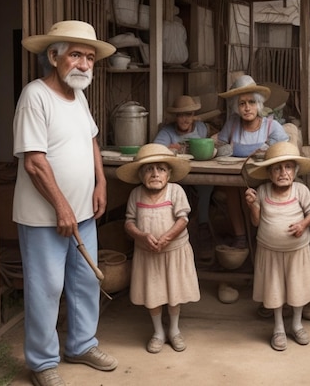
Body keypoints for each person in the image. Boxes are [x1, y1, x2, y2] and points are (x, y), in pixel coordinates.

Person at [13, 20, 118, 386]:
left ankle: (81, 344)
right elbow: (34, 162)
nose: (84, 64)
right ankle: (42, 363)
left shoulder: (79, 95)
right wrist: (61, 206)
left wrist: (101, 181)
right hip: (45, 217)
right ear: (54, 57)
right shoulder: (35, 95)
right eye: (76, 55)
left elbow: (91, 139)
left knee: (85, 280)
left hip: (83, 212)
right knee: (47, 287)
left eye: (90, 57)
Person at [116, 143, 201, 354]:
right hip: (147, 254)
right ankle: (157, 332)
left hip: (174, 252)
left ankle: (173, 330)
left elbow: (183, 218)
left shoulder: (176, 191)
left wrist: (167, 237)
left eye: (161, 169)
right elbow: (129, 222)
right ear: (141, 174)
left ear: (169, 174)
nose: (155, 174)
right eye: (149, 169)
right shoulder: (136, 194)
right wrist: (141, 236)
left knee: (173, 292)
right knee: (153, 293)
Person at [214, 75, 289, 304]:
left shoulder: (271, 126)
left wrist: (268, 150)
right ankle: (241, 239)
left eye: (251, 102)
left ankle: (262, 242)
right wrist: (224, 149)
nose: (247, 108)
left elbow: (286, 150)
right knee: (231, 190)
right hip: (238, 181)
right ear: (236, 107)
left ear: (259, 104)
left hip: (265, 183)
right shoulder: (232, 125)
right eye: (242, 103)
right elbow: (220, 146)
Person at [244, 142, 310, 351]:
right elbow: (256, 222)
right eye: (277, 168)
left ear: (295, 171)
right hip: (270, 252)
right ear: (269, 173)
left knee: (297, 288)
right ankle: (278, 327)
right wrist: (253, 205)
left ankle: (296, 324)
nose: (283, 173)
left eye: (288, 167)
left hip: (297, 251)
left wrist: (303, 225)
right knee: (275, 289)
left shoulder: (301, 190)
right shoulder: (262, 191)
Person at [153, 95, 215, 265]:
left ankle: (202, 226)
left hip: (198, 173)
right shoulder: (167, 131)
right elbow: (155, 149)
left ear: (194, 115)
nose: (185, 119)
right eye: (181, 115)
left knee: (206, 187)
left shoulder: (202, 128)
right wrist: (169, 148)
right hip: (176, 177)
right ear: (175, 117)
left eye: (188, 115)